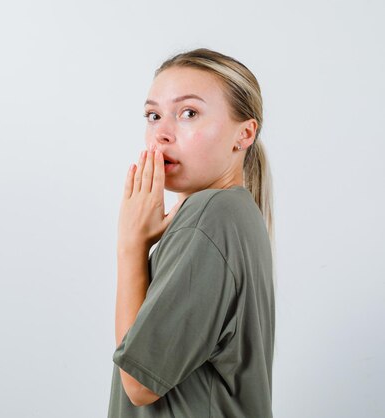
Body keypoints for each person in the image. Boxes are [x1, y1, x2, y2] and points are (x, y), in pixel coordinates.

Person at [108, 48, 276, 417]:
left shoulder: (212, 216)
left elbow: (139, 384)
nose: (162, 134)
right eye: (153, 115)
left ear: (244, 134)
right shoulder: (234, 213)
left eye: (188, 113)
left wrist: (130, 246)